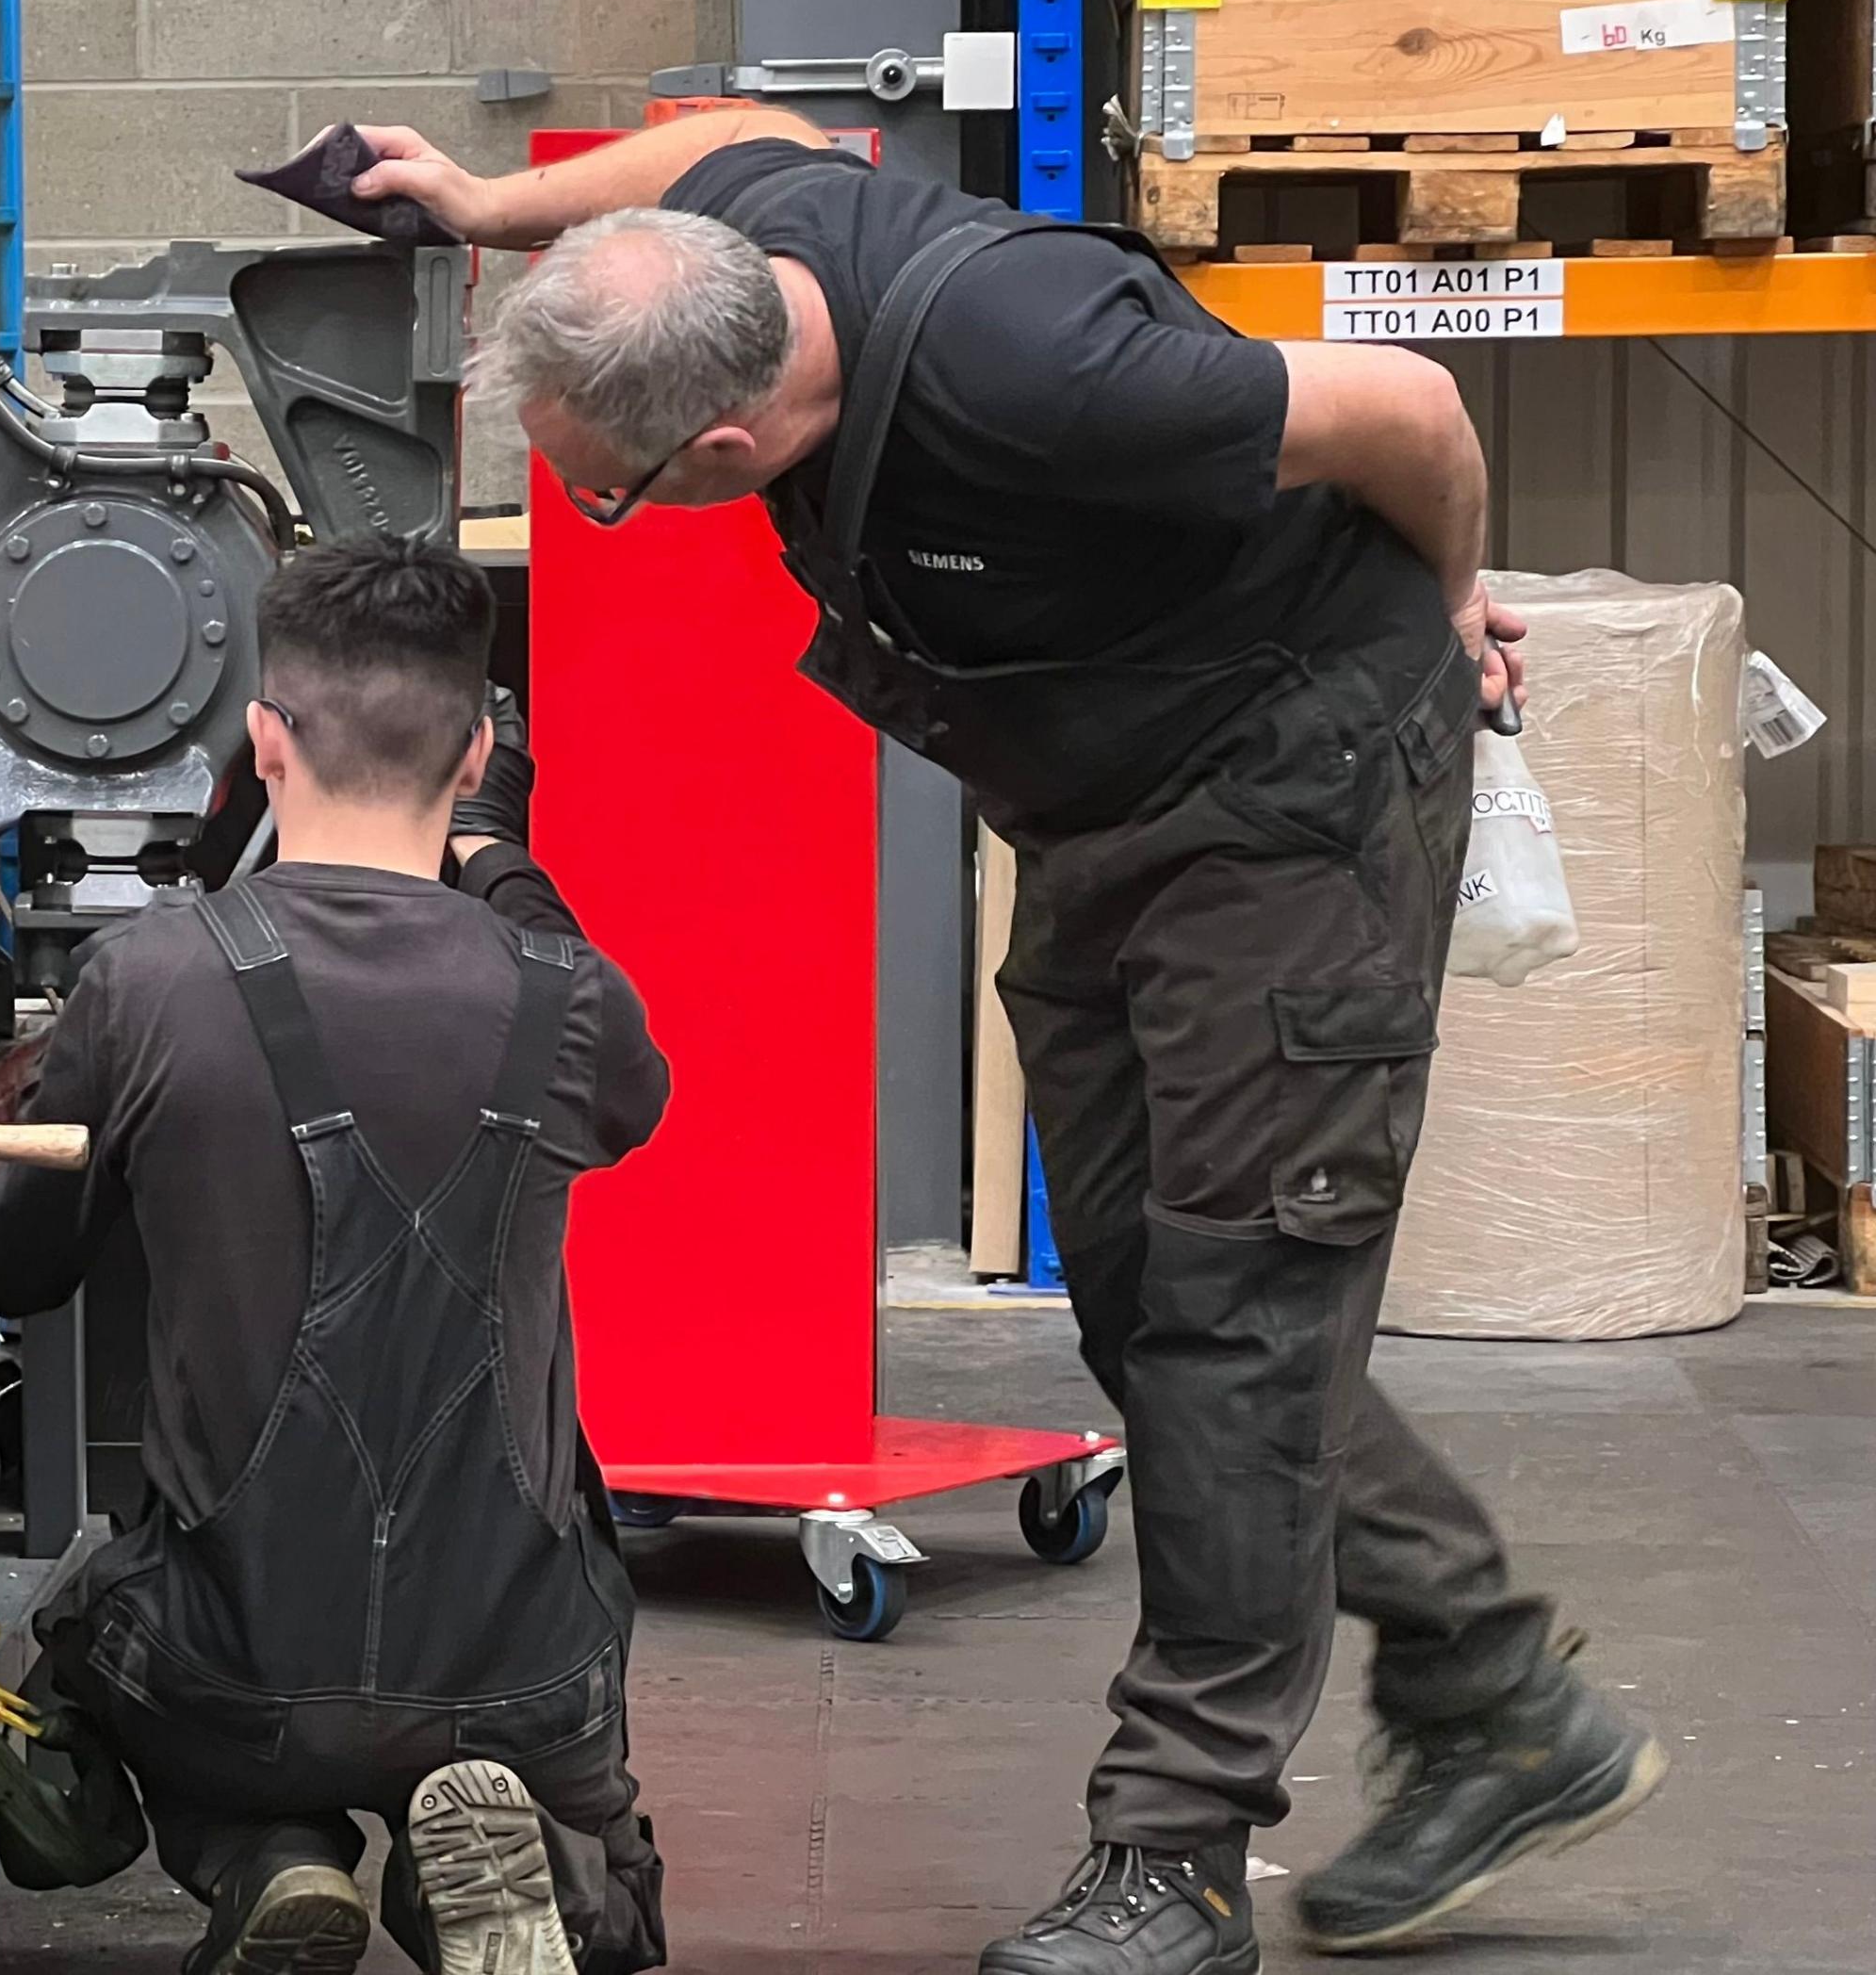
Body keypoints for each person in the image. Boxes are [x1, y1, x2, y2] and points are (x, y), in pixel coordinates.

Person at [328, 112, 1664, 1975]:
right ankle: (1495, 1689)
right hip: (1114, 790)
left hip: (1300, 776)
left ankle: (1175, 1855)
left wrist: (1448, 602)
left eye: (614, 496)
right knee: (1142, 1293)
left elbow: (1410, 412)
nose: (618, 518)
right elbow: (733, 129)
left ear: (726, 447)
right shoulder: (745, 231)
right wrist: (483, 205)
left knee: (1239, 1306)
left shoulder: (1043, 368)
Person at [0, 533, 671, 1975]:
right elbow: (630, 1091)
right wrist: (509, 868)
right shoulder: (565, 993)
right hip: (519, 1674)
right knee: (601, 1860)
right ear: (477, 756)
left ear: (264, 739)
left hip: (227, 1672)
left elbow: (14, 1273)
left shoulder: (151, 978)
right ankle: (508, 1874)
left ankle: (273, 1863)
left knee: (86, 1644)